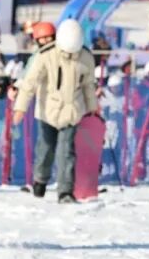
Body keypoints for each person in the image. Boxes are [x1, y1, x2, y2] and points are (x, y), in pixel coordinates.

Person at [13, 19, 98, 202]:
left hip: (71, 112)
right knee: (45, 149)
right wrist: (20, 107)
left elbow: (88, 85)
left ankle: (65, 191)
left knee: (66, 152)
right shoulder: (45, 55)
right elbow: (30, 83)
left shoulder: (86, 58)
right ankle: (40, 180)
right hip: (48, 111)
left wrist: (93, 108)